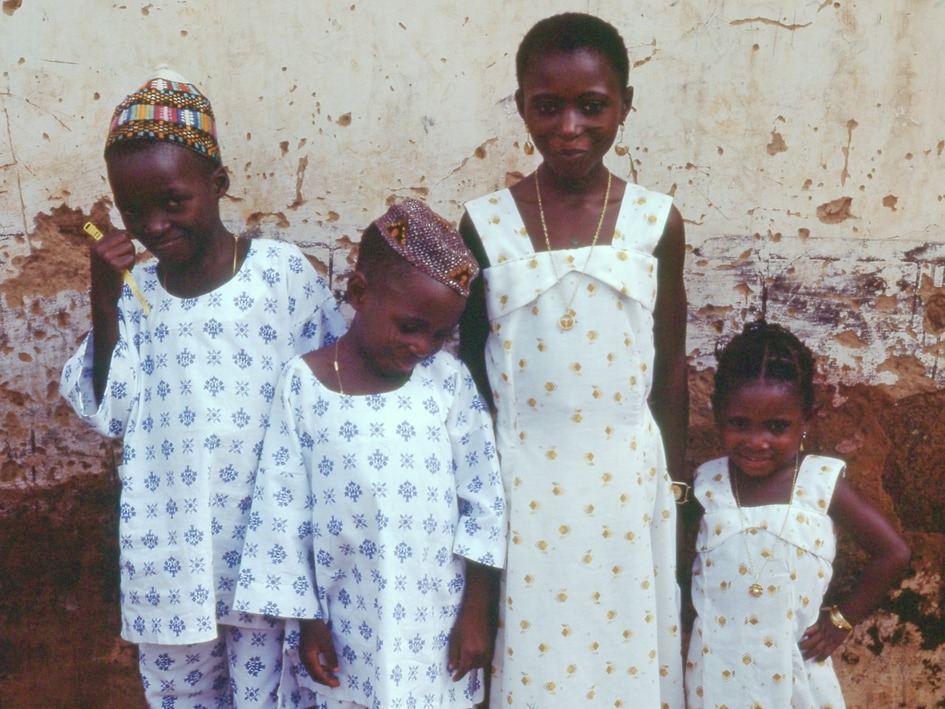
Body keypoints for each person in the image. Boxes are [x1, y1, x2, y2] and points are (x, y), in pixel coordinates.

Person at [60, 68, 345, 708]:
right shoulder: (135, 301)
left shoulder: (279, 276)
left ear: (217, 184)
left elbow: (328, 394)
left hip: (266, 557)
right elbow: (110, 411)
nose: (154, 225)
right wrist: (104, 302)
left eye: (172, 201)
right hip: (173, 564)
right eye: (134, 210)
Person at [458, 13, 689, 707]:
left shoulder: (655, 220)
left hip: (627, 479)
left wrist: (674, 495)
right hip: (522, 478)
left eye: (592, 106)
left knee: (624, 651)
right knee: (535, 653)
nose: (568, 126)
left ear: (623, 103)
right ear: (521, 104)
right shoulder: (485, 221)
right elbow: (471, 375)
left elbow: (670, 365)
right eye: (546, 105)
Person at [233, 198, 508, 709]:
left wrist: (476, 611)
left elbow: (485, 500)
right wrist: (308, 623)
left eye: (441, 334)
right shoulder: (304, 385)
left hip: (437, 626)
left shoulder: (447, 384)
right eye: (410, 326)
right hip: (345, 627)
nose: (424, 346)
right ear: (359, 292)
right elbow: (282, 512)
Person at [685, 320, 911, 707]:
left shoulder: (820, 483)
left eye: (777, 427)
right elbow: (681, 569)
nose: (757, 442)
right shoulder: (707, 485)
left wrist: (840, 621)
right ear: (717, 412)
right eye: (740, 424)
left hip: (795, 670)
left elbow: (893, 553)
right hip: (716, 673)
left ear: (807, 418)